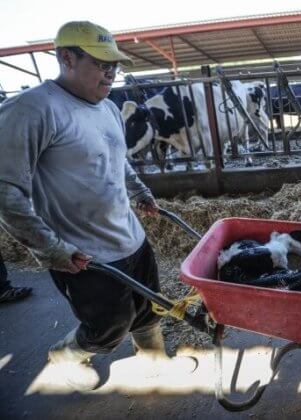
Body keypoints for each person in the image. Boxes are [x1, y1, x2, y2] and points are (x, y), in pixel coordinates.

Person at [0, 21, 195, 390]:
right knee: (108, 325)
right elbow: (6, 192)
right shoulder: (31, 109)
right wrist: (52, 249)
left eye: (115, 65)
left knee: (149, 305)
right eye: (101, 63)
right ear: (66, 58)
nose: (111, 73)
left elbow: (115, 157)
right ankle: (65, 355)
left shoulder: (106, 107)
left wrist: (138, 191)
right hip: (83, 251)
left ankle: (153, 359)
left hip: (131, 238)